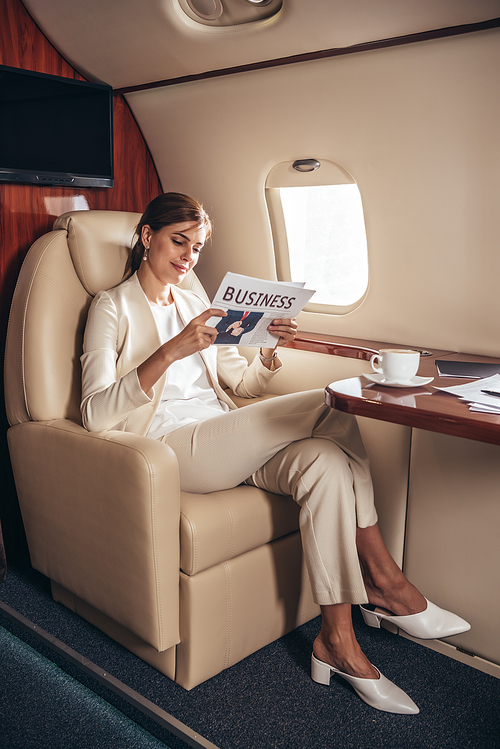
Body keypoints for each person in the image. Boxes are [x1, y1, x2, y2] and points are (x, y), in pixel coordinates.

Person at [81, 192, 470, 714]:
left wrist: (266, 352)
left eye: (196, 249)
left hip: (219, 432)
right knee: (333, 401)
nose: (188, 257)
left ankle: (337, 641)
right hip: (170, 447)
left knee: (326, 465)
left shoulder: (196, 303)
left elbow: (236, 382)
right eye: (179, 242)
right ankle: (386, 580)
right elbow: (95, 412)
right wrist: (170, 350)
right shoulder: (111, 306)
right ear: (147, 235)